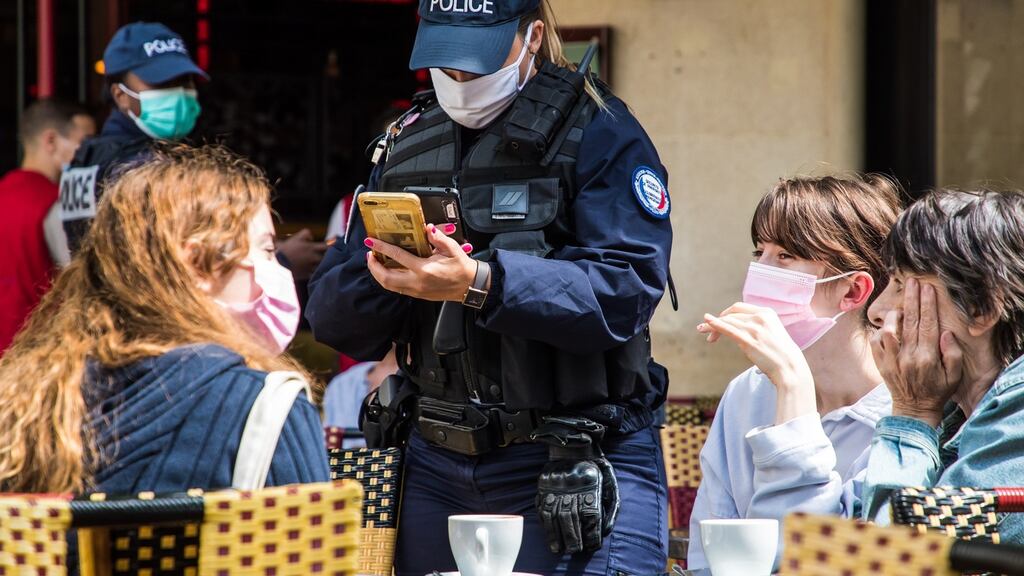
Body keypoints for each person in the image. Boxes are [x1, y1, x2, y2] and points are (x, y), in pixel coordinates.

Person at [306, 0, 673, 573]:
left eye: (475, 64)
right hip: (434, 460)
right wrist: (388, 272)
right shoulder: (406, 140)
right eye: (444, 63)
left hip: (570, 459)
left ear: (530, 37)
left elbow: (625, 288)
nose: (458, 80)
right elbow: (334, 320)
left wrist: (478, 282)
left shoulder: (600, 130)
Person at [0, 143, 328, 497]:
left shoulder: (34, 398)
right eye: (266, 250)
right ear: (197, 264)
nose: (276, 269)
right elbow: (315, 548)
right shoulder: (268, 408)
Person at [688, 175, 901, 569]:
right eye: (759, 253)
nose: (758, 273)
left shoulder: (907, 410)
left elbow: (825, 562)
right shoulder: (747, 393)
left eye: (785, 256)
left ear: (853, 292)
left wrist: (792, 384)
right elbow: (710, 552)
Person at [860, 189, 1024, 543]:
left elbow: (893, 559)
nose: (876, 310)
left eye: (902, 284)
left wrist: (912, 413)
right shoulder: (955, 414)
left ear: (981, 309)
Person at [0, 99, 94, 355]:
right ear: (51, 141)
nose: (90, 151)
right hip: (41, 353)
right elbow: (79, 282)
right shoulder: (57, 203)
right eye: (84, 141)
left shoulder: (4, 192)